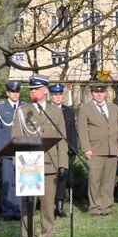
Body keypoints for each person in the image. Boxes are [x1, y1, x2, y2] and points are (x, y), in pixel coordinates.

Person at [11, 76, 68, 237]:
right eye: (31, 89)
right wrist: (16, 164)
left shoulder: (55, 111)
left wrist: (63, 163)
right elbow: (16, 138)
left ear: (45, 90)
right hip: (29, 165)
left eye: (36, 89)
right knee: (28, 206)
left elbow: (62, 139)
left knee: (47, 205)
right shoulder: (22, 111)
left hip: (50, 163)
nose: (32, 91)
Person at [77, 84, 118, 216]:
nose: (99, 94)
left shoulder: (113, 108)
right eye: (96, 92)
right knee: (94, 180)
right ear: (92, 93)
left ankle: (107, 206)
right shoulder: (85, 108)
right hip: (95, 150)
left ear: (105, 93)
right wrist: (86, 148)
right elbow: (82, 130)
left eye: (101, 92)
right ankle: (95, 207)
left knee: (109, 180)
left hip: (112, 149)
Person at [0, 81, 24, 221]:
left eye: (17, 92)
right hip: (6, 150)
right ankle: (7, 211)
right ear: (7, 93)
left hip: (21, 150)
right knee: (7, 181)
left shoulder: (24, 107)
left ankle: (18, 210)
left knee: (20, 181)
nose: (15, 94)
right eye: (12, 92)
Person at [48, 84, 77, 218]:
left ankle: (59, 207)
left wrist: (74, 148)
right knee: (51, 177)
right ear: (50, 96)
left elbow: (72, 131)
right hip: (51, 149)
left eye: (60, 94)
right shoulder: (46, 110)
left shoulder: (68, 111)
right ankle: (49, 205)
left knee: (63, 177)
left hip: (65, 149)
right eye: (55, 95)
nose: (58, 97)